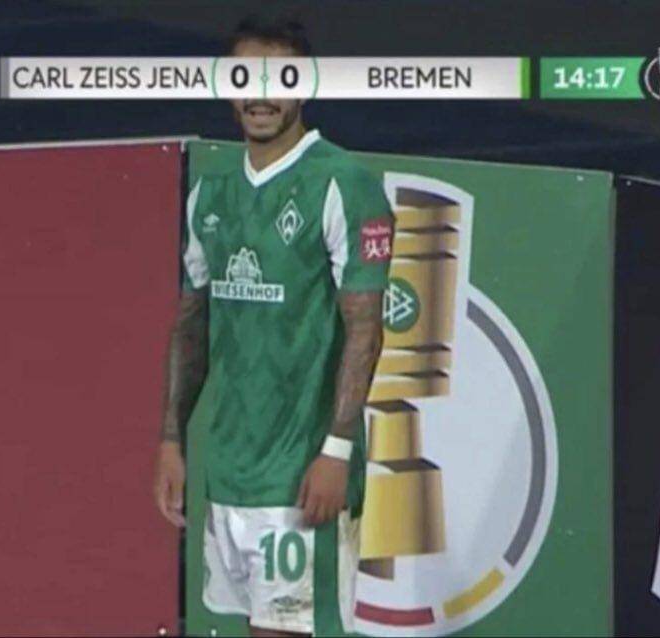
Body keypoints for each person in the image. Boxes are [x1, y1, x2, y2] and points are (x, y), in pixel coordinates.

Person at [153, 16, 394, 638]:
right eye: (245, 79)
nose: (260, 96)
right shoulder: (210, 194)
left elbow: (366, 329)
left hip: (301, 471)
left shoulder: (342, 183)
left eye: (278, 79)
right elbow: (192, 324)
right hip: (230, 470)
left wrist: (336, 451)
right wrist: (173, 440)